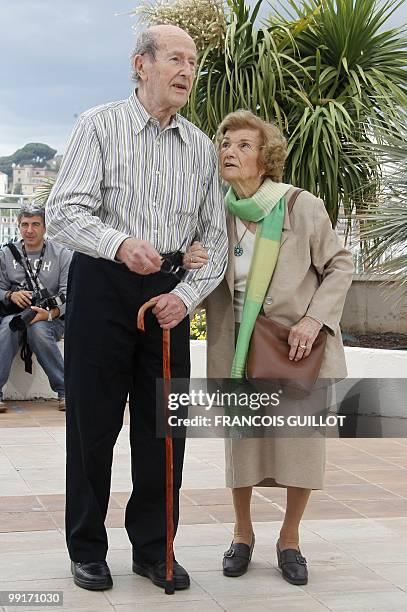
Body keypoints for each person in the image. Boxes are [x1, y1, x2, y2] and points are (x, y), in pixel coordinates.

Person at [45, 25, 227, 592]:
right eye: (176, 58)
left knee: (164, 433)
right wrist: (121, 244)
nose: (186, 70)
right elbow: (63, 211)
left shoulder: (200, 147)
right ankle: (87, 550)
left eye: (193, 62)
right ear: (140, 64)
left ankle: (154, 550)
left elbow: (215, 242)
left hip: (169, 299)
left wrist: (185, 296)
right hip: (103, 286)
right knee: (93, 429)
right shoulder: (97, 125)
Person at [194, 109, 354, 585]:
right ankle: (241, 535)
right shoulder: (216, 211)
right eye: (226, 144)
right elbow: (205, 280)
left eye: (244, 145)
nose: (230, 151)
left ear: (266, 159)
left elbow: (340, 265)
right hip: (237, 345)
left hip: (294, 348)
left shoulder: (300, 205)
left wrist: (314, 318)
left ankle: (290, 539)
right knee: (242, 445)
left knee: (299, 445)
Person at [0, 204, 70, 413]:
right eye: (25, 225)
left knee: (37, 329)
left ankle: (66, 391)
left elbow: (70, 294)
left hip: (52, 318)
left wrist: (49, 313)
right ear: (19, 226)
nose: (29, 230)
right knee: (7, 328)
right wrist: (10, 295)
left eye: (35, 224)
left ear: (45, 227)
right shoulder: (6, 254)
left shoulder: (62, 254)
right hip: (16, 314)